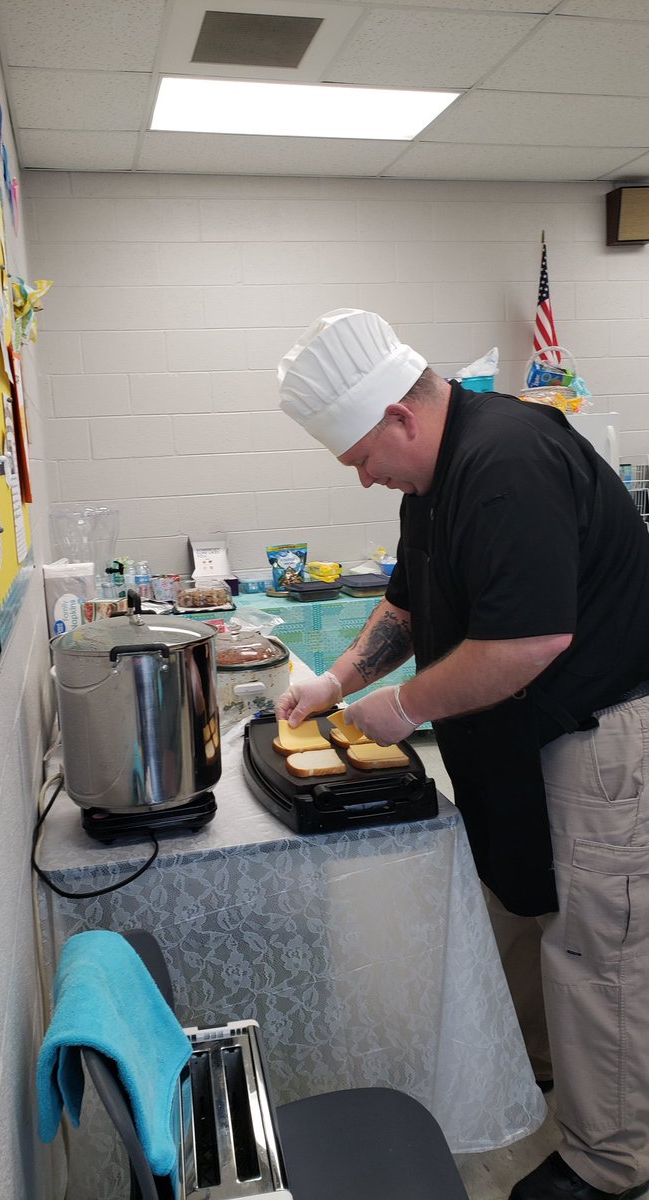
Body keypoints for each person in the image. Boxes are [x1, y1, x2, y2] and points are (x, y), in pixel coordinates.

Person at [275, 308, 649, 1200]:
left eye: (362, 459)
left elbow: (529, 641)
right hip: (516, 744)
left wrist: (401, 705)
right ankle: (549, 1082)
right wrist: (336, 682)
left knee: (600, 953)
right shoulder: (432, 482)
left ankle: (613, 1165)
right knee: (525, 920)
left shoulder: (507, 464)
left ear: (401, 418)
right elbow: (406, 606)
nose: (366, 480)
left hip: (592, 741)